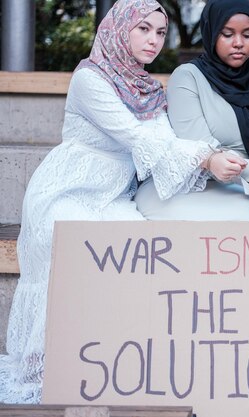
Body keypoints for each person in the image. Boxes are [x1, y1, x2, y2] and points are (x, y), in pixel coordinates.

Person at [0, 0, 217, 403]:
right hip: (67, 189)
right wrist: (206, 157)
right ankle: (40, 363)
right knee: (68, 240)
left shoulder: (148, 88)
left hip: (113, 195)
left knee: (136, 242)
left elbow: (166, 142)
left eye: (159, 32)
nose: (153, 40)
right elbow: (134, 135)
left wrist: (217, 159)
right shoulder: (90, 78)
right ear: (119, 29)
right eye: (143, 29)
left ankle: (112, 360)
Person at [135, 0, 249, 221]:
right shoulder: (187, 77)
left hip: (240, 189)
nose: (239, 43)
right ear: (211, 34)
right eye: (227, 34)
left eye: (247, 35)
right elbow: (198, 146)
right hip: (183, 187)